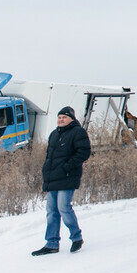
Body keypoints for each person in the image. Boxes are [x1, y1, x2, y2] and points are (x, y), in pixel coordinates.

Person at [32, 106, 91, 256]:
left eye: (64, 117)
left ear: (72, 119)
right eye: (59, 117)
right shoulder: (54, 134)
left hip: (67, 177)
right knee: (51, 211)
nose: (61, 120)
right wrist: (46, 171)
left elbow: (84, 152)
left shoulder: (78, 132)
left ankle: (76, 237)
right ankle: (51, 243)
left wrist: (67, 167)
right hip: (53, 178)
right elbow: (49, 157)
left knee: (63, 207)